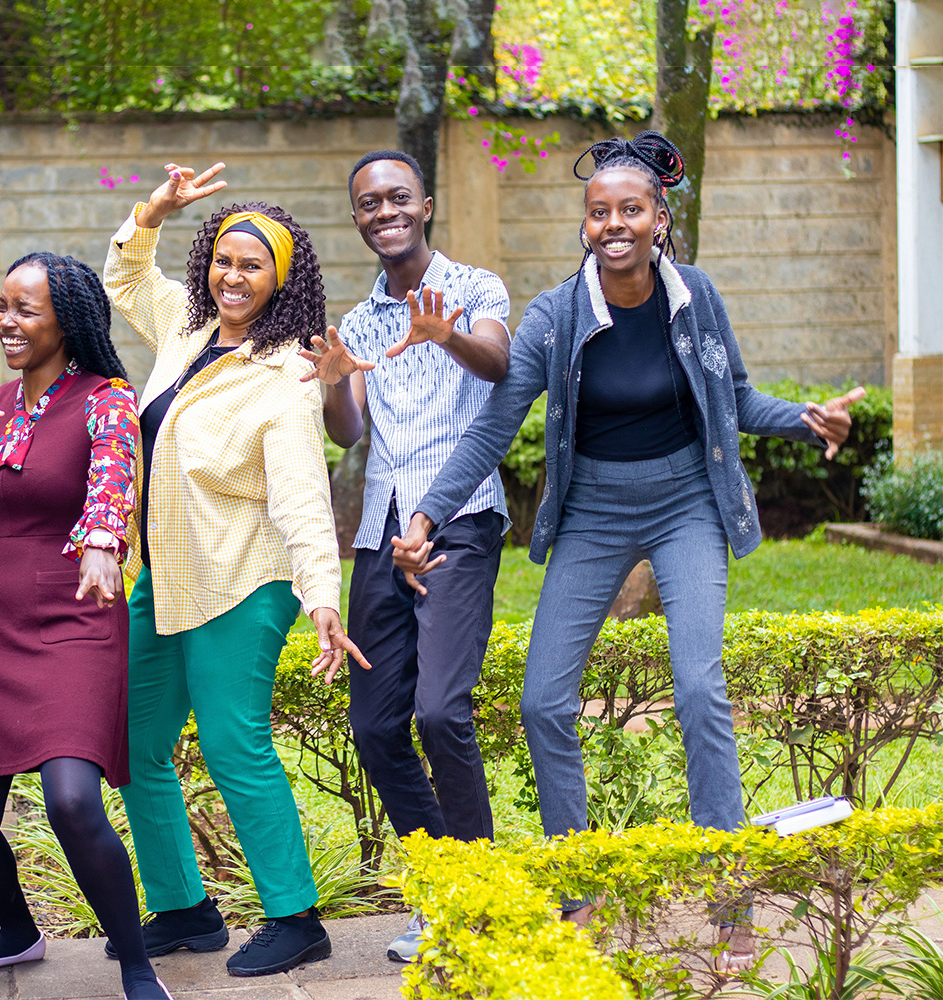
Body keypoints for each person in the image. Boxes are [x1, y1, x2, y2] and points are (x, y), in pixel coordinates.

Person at [390, 132, 864, 973]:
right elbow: (494, 428)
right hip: (594, 513)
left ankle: (731, 893)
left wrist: (806, 415)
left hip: (687, 501)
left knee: (697, 685)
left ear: (658, 219)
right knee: (542, 701)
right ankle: (578, 888)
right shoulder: (554, 315)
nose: (614, 224)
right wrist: (426, 513)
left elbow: (737, 398)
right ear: (585, 227)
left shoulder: (697, 296)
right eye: (599, 212)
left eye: (631, 210)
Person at [102, 162, 370, 978]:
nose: (233, 275)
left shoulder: (286, 372)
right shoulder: (185, 330)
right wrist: (153, 210)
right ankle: (185, 908)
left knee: (231, 741)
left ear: (281, 278)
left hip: (243, 582)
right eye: (224, 258)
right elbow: (122, 275)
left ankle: (297, 917)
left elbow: (298, 496)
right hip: (164, 576)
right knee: (137, 743)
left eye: (253, 264)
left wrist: (322, 595)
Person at [0, 252, 171, 1000]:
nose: (6, 321)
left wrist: (101, 543)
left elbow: (114, 478)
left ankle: (136, 963)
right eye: (2, 305)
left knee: (73, 799)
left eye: (25, 309)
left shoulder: (105, 399)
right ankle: (17, 933)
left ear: (67, 321)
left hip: (75, 615)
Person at [299, 149, 512, 963]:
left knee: (439, 712)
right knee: (375, 724)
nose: (383, 212)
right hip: (380, 537)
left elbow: (496, 364)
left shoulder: (475, 288)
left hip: (459, 523)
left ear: (425, 204)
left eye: (397, 198)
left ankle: (477, 895)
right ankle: (441, 889)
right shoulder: (356, 322)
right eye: (367, 204)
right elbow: (349, 432)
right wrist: (331, 380)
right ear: (357, 219)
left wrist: (443, 333)